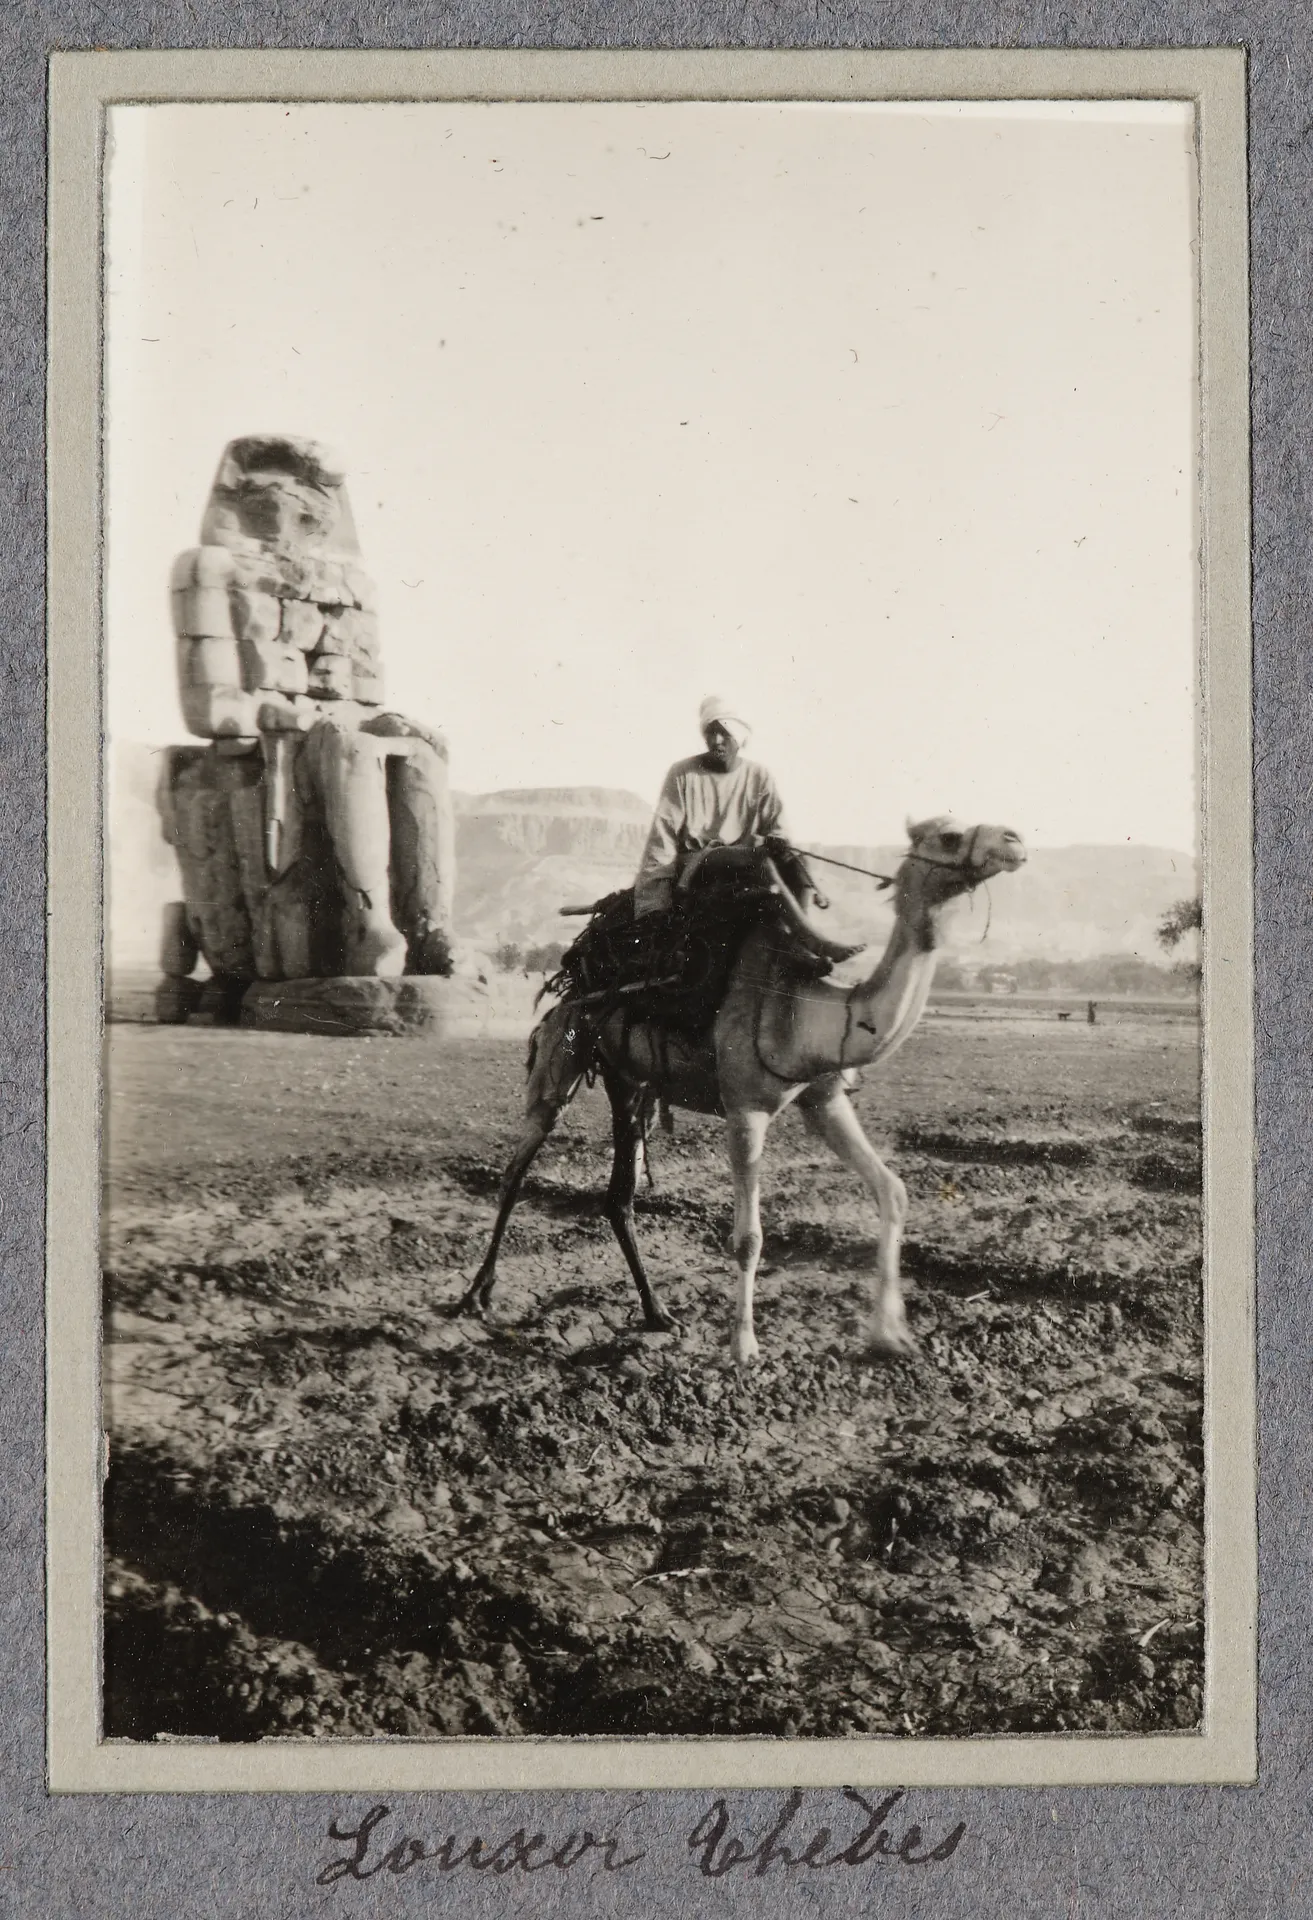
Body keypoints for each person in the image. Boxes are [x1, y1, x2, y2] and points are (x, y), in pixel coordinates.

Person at [633, 697, 814, 917]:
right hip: (700, 863)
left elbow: (778, 827)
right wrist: (653, 905)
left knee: (799, 865)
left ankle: (802, 937)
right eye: (710, 732)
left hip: (746, 861)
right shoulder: (682, 773)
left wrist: (778, 840)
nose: (716, 740)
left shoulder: (759, 776)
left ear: (740, 736)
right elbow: (662, 841)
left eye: (725, 733)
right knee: (759, 861)